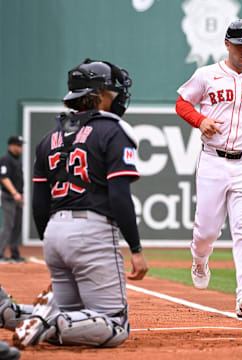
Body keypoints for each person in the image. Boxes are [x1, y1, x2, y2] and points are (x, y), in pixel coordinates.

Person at [0, 58, 148, 348]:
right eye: (112, 91)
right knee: (115, 324)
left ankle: (12, 313)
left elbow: (40, 204)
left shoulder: (49, 138)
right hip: (91, 232)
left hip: (54, 233)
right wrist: (136, 248)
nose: (117, 96)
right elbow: (119, 197)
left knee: (74, 315)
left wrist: (53, 243)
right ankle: (48, 321)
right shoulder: (113, 130)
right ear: (100, 95)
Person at [175, 19, 242, 318]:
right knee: (207, 231)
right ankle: (199, 258)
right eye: (240, 45)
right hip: (213, 160)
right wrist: (200, 121)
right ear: (227, 45)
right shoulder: (206, 75)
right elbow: (182, 103)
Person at [0, 135, 26, 263]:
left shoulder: (17, 160)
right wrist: (15, 193)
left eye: (21, 145)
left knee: (17, 226)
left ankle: (15, 254)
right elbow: (4, 178)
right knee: (8, 225)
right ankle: (0, 254)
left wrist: (22, 194)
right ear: (11, 145)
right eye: (18, 145)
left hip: (18, 197)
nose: (20, 148)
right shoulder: (6, 159)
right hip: (9, 197)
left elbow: (19, 180)